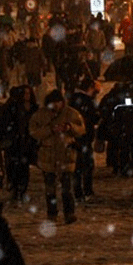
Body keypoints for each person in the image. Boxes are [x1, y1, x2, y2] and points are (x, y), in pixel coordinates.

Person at [29, 89, 85, 224]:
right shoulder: (40, 115)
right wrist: (50, 130)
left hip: (66, 154)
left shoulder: (71, 113)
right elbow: (34, 132)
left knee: (67, 187)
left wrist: (69, 127)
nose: (56, 105)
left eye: (58, 102)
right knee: (50, 189)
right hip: (48, 155)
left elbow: (81, 129)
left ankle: (69, 213)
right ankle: (52, 214)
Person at [69, 77, 102, 202]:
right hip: (85, 137)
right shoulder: (88, 101)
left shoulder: (73, 99)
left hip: (74, 136)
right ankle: (87, 190)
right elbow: (95, 117)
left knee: (77, 166)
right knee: (87, 165)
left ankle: (78, 192)